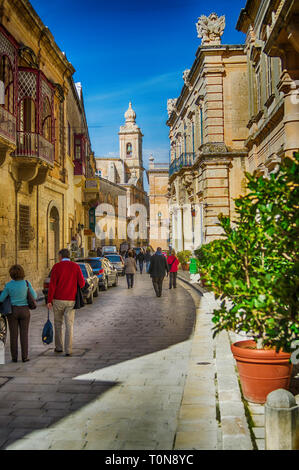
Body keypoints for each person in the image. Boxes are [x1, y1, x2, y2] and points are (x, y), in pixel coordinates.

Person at [47, 248, 85, 357]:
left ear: (60, 256)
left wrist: (49, 300)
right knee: (69, 325)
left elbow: (52, 285)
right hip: (71, 300)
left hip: (58, 300)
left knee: (58, 324)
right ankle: (68, 350)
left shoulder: (56, 267)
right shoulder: (75, 267)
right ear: (69, 256)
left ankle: (59, 347)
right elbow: (82, 283)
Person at [0, 264, 37, 362]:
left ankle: (14, 357)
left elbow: (1, 298)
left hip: (12, 311)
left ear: (11, 274)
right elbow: (35, 296)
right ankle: (25, 357)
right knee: (24, 334)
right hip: (25, 311)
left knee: (13, 335)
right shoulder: (26, 283)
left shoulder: (8, 285)